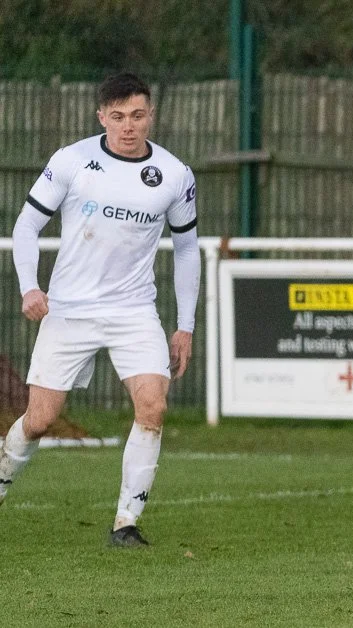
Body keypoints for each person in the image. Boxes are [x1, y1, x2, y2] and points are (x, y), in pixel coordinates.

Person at [0, 72, 201, 547]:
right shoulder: (72, 161)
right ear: (101, 118)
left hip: (135, 311)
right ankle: (3, 472)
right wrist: (31, 288)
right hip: (69, 310)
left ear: (150, 115)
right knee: (41, 419)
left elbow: (188, 249)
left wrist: (185, 326)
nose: (128, 127)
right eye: (117, 117)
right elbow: (26, 227)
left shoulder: (174, 174)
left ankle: (125, 523)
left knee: (152, 406)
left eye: (137, 115)